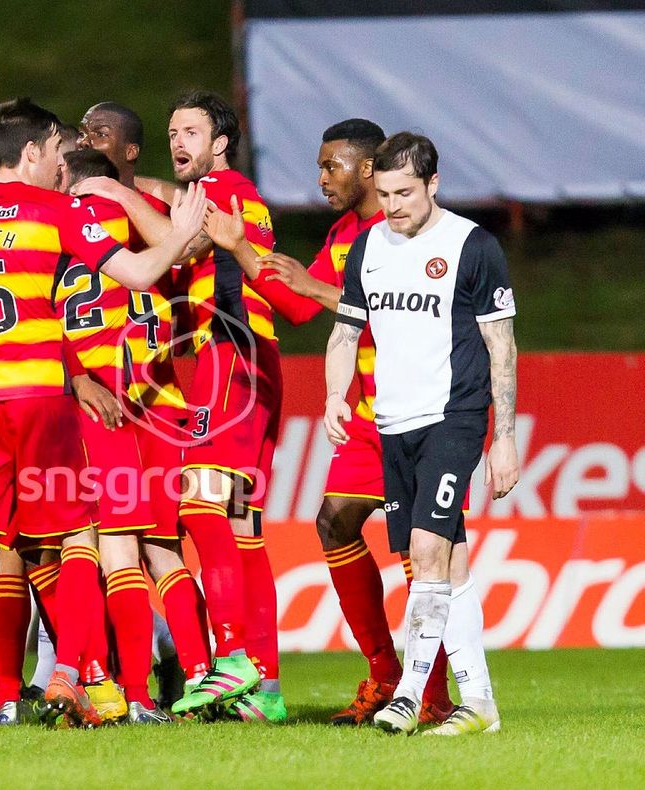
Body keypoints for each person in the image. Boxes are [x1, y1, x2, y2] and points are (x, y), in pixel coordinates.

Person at [0, 97, 207, 731]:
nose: (61, 162)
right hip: (41, 398)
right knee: (80, 537)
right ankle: (69, 676)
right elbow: (139, 273)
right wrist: (180, 234)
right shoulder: (56, 211)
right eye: (56, 150)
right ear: (30, 152)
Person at [206, 119, 456, 725]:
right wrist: (241, 249)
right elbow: (296, 304)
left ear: (368, 168)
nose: (322, 179)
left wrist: (320, 291)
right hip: (367, 415)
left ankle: (432, 694)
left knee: (417, 548)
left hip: (418, 411)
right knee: (335, 523)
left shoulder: (407, 230)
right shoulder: (344, 234)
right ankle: (385, 672)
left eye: (331, 166)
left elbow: (398, 312)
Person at [77, 91, 284, 720]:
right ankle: (265, 689)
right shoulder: (229, 191)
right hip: (244, 362)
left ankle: (233, 658)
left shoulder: (220, 193)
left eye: (190, 131)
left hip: (229, 356)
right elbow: (178, 205)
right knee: (242, 528)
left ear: (220, 143)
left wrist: (117, 193)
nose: (178, 141)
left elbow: (182, 239)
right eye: (172, 132)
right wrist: (134, 186)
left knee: (197, 507)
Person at [325, 132, 518, 735]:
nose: (392, 206)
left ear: (433, 184)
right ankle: (480, 703)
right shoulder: (367, 247)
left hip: (453, 417)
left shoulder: (471, 246)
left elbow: (501, 345)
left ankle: (408, 695)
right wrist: (334, 395)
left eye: (404, 193)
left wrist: (503, 436)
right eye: (383, 194)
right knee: (449, 561)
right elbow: (344, 333)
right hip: (393, 421)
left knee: (427, 550)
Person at [76, 101, 213, 709]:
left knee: (139, 547)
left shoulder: (132, 205)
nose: (86, 139)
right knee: (126, 547)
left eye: (99, 133)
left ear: (129, 152)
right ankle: (129, 678)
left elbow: (186, 247)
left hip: (141, 398)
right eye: (82, 132)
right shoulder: (82, 209)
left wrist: (116, 191)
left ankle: (168, 676)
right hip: (115, 397)